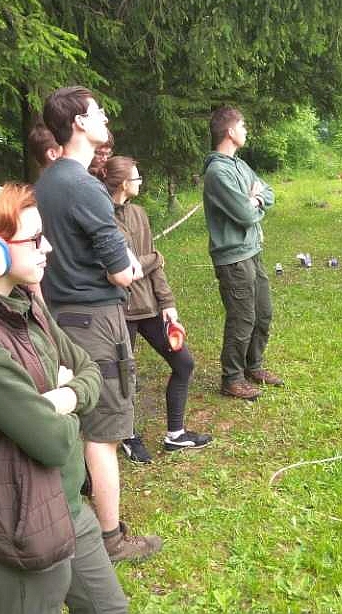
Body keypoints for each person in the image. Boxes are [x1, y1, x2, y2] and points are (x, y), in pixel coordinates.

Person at [0, 184, 128, 612]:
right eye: (35, 239)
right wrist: (68, 403)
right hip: (19, 528)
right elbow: (54, 442)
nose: (48, 247)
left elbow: (89, 369)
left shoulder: (26, 302)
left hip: (68, 506)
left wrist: (59, 399)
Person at [36, 86, 162, 563]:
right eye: (98, 112)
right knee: (103, 434)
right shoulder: (85, 186)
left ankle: (64, 520)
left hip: (60, 317)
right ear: (79, 123)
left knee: (72, 423)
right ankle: (111, 539)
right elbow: (123, 271)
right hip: (96, 321)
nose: (106, 118)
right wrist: (133, 261)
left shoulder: (46, 181)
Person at [100, 156, 214, 462]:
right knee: (125, 378)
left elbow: (149, 263)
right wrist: (154, 258)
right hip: (119, 311)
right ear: (124, 183)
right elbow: (124, 267)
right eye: (137, 178)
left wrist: (168, 303)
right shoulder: (100, 217)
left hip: (149, 308)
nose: (141, 182)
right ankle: (128, 436)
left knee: (184, 363)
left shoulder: (138, 213)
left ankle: (175, 435)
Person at [202, 106, 283, 401]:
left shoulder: (239, 165)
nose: (246, 130)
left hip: (252, 251)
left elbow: (268, 192)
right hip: (233, 257)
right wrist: (252, 202)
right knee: (242, 318)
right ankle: (232, 378)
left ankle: (254, 366)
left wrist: (255, 198)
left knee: (263, 312)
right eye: (243, 126)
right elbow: (244, 215)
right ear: (230, 131)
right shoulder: (217, 172)